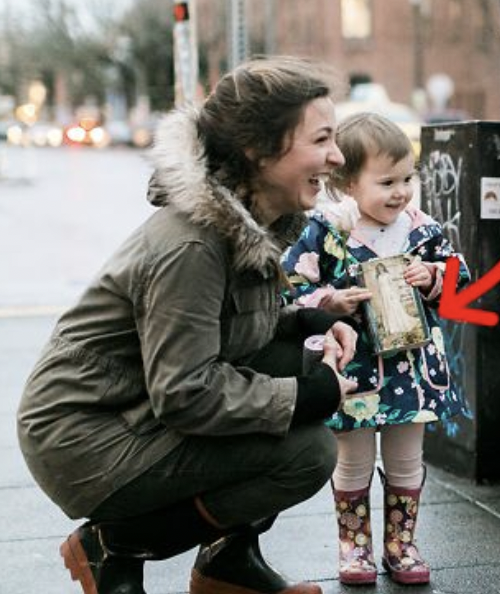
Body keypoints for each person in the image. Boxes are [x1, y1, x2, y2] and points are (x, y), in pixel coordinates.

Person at [17, 56, 360, 594]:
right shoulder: (193, 245)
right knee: (306, 452)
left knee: (301, 365)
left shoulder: (247, 224)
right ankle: (111, 547)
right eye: (320, 140)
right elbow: (186, 392)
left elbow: (228, 332)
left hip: (135, 412)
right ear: (258, 150)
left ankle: (228, 563)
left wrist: (307, 322)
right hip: (86, 437)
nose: (336, 156)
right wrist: (303, 397)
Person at [281, 112, 470, 586]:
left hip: (413, 368)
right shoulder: (327, 231)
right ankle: (355, 547)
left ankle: (401, 547)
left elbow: (458, 278)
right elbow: (289, 286)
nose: (401, 192)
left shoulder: (422, 229)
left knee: (407, 457)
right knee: (353, 459)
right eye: (386, 181)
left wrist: (434, 278)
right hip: (354, 368)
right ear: (346, 183)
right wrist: (328, 301)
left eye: (408, 178)